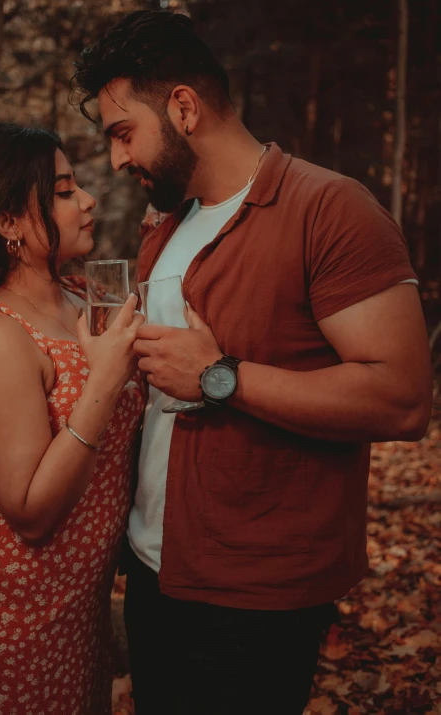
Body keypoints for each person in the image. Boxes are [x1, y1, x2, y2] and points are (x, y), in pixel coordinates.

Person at [72, 11, 433, 715]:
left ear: (184, 107)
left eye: (123, 133)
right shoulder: (165, 226)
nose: (116, 159)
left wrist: (222, 376)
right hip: (151, 573)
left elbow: (403, 398)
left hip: (255, 600)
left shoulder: (330, 209)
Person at [0, 121, 146, 715]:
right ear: (8, 222)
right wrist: (106, 381)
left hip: (76, 606)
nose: (87, 200)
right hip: (3, 609)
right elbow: (31, 512)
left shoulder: (84, 298)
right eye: (64, 190)